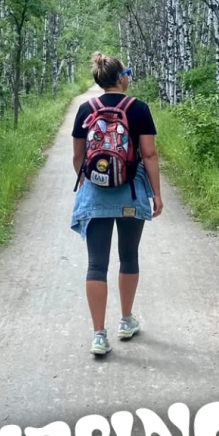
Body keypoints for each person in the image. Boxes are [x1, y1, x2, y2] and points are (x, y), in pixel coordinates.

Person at [71, 52, 163, 356]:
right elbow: (149, 155)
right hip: (131, 194)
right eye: (129, 72)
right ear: (121, 77)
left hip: (96, 196)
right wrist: (157, 194)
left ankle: (99, 335)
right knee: (129, 257)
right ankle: (126, 321)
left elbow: (78, 157)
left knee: (96, 264)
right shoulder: (139, 109)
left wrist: (91, 184)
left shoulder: (86, 108)